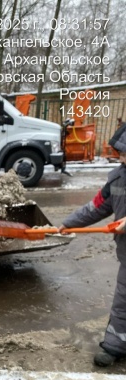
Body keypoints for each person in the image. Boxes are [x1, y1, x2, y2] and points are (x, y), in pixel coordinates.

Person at [59, 126, 126, 367]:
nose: (122, 158)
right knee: (124, 300)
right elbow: (96, 206)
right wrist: (68, 224)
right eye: (120, 153)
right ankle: (116, 345)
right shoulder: (118, 177)